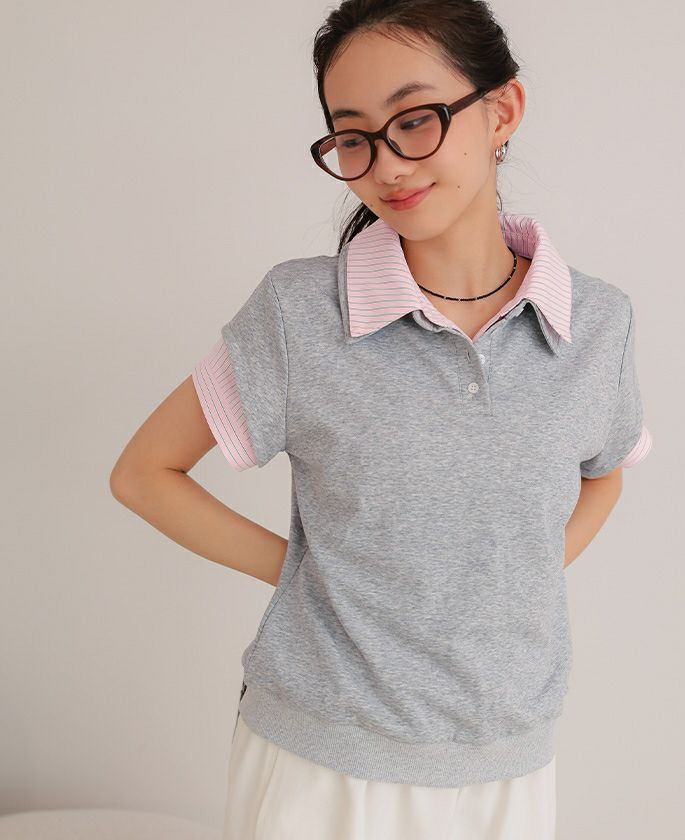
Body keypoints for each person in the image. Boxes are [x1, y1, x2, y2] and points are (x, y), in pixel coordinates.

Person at [110, 1, 652, 838]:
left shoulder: (597, 322)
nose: (386, 164)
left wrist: (523, 572)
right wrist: (308, 574)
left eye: (416, 119)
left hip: (510, 762)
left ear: (502, 109)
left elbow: (605, 472)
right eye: (353, 137)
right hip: (322, 764)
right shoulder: (299, 311)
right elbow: (144, 474)